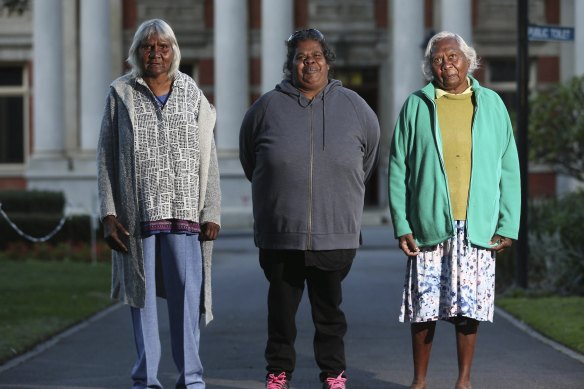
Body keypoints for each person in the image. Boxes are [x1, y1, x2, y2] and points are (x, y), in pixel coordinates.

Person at [239, 28, 380, 389]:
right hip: (281, 232)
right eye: (301, 57)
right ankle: (278, 372)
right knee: (281, 315)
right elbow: (250, 160)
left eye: (316, 55)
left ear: (328, 61)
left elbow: (368, 157)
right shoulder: (265, 107)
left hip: (334, 233)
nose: (309, 62)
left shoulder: (354, 106)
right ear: (290, 65)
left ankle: (333, 374)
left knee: (329, 314)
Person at [388, 31, 521, 389]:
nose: (446, 64)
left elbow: (509, 166)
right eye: (437, 58)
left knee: (468, 309)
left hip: (477, 224)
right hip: (429, 225)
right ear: (429, 66)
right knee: (423, 309)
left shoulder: (492, 104)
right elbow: (398, 167)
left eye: (452, 57)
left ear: (469, 60)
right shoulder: (417, 104)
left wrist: (508, 224)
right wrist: (402, 223)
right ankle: (419, 381)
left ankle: (464, 381)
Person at [97, 19, 221, 389]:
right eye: (148, 47)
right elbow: (106, 156)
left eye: (163, 46)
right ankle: (147, 379)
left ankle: (192, 378)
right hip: (139, 218)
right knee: (144, 301)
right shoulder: (121, 93)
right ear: (137, 52)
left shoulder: (192, 92)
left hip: (185, 216)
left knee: (187, 301)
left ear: (173, 51)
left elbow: (208, 155)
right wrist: (108, 213)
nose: (155, 53)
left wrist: (211, 210)